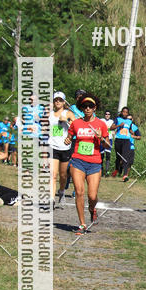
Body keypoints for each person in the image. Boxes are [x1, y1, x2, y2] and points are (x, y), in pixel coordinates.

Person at [65, 94, 110, 235]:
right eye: (85, 106)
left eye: (90, 106)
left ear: (95, 108)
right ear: (82, 108)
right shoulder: (76, 123)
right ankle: (82, 224)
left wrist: (101, 138)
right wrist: (67, 140)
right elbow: (69, 136)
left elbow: (108, 144)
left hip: (95, 163)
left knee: (92, 196)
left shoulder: (101, 124)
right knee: (79, 192)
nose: (88, 108)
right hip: (78, 161)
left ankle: (92, 208)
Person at [49, 92, 74, 206]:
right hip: (52, 146)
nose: (57, 102)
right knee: (53, 175)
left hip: (65, 148)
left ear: (64, 102)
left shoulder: (67, 113)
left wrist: (67, 121)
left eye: (60, 100)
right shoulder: (49, 114)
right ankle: (51, 199)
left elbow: (76, 126)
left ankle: (62, 191)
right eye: (55, 100)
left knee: (63, 175)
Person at [111, 107, 140, 180]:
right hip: (118, 140)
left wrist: (131, 132)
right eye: (123, 112)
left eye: (126, 112)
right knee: (118, 157)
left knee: (125, 157)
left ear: (128, 113)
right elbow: (111, 128)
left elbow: (130, 129)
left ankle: (125, 175)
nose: (125, 113)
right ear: (121, 112)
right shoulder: (117, 119)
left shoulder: (129, 122)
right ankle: (117, 169)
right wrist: (119, 126)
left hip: (126, 141)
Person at [101, 110, 115, 177]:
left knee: (108, 155)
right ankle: (101, 170)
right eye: (106, 114)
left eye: (108, 114)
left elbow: (114, 130)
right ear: (104, 115)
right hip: (102, 139)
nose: (107, 115)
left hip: (109, 139)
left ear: (110, 115)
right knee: (101, 156)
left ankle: (107, 171)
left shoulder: (112, 121)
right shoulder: (101, 120)